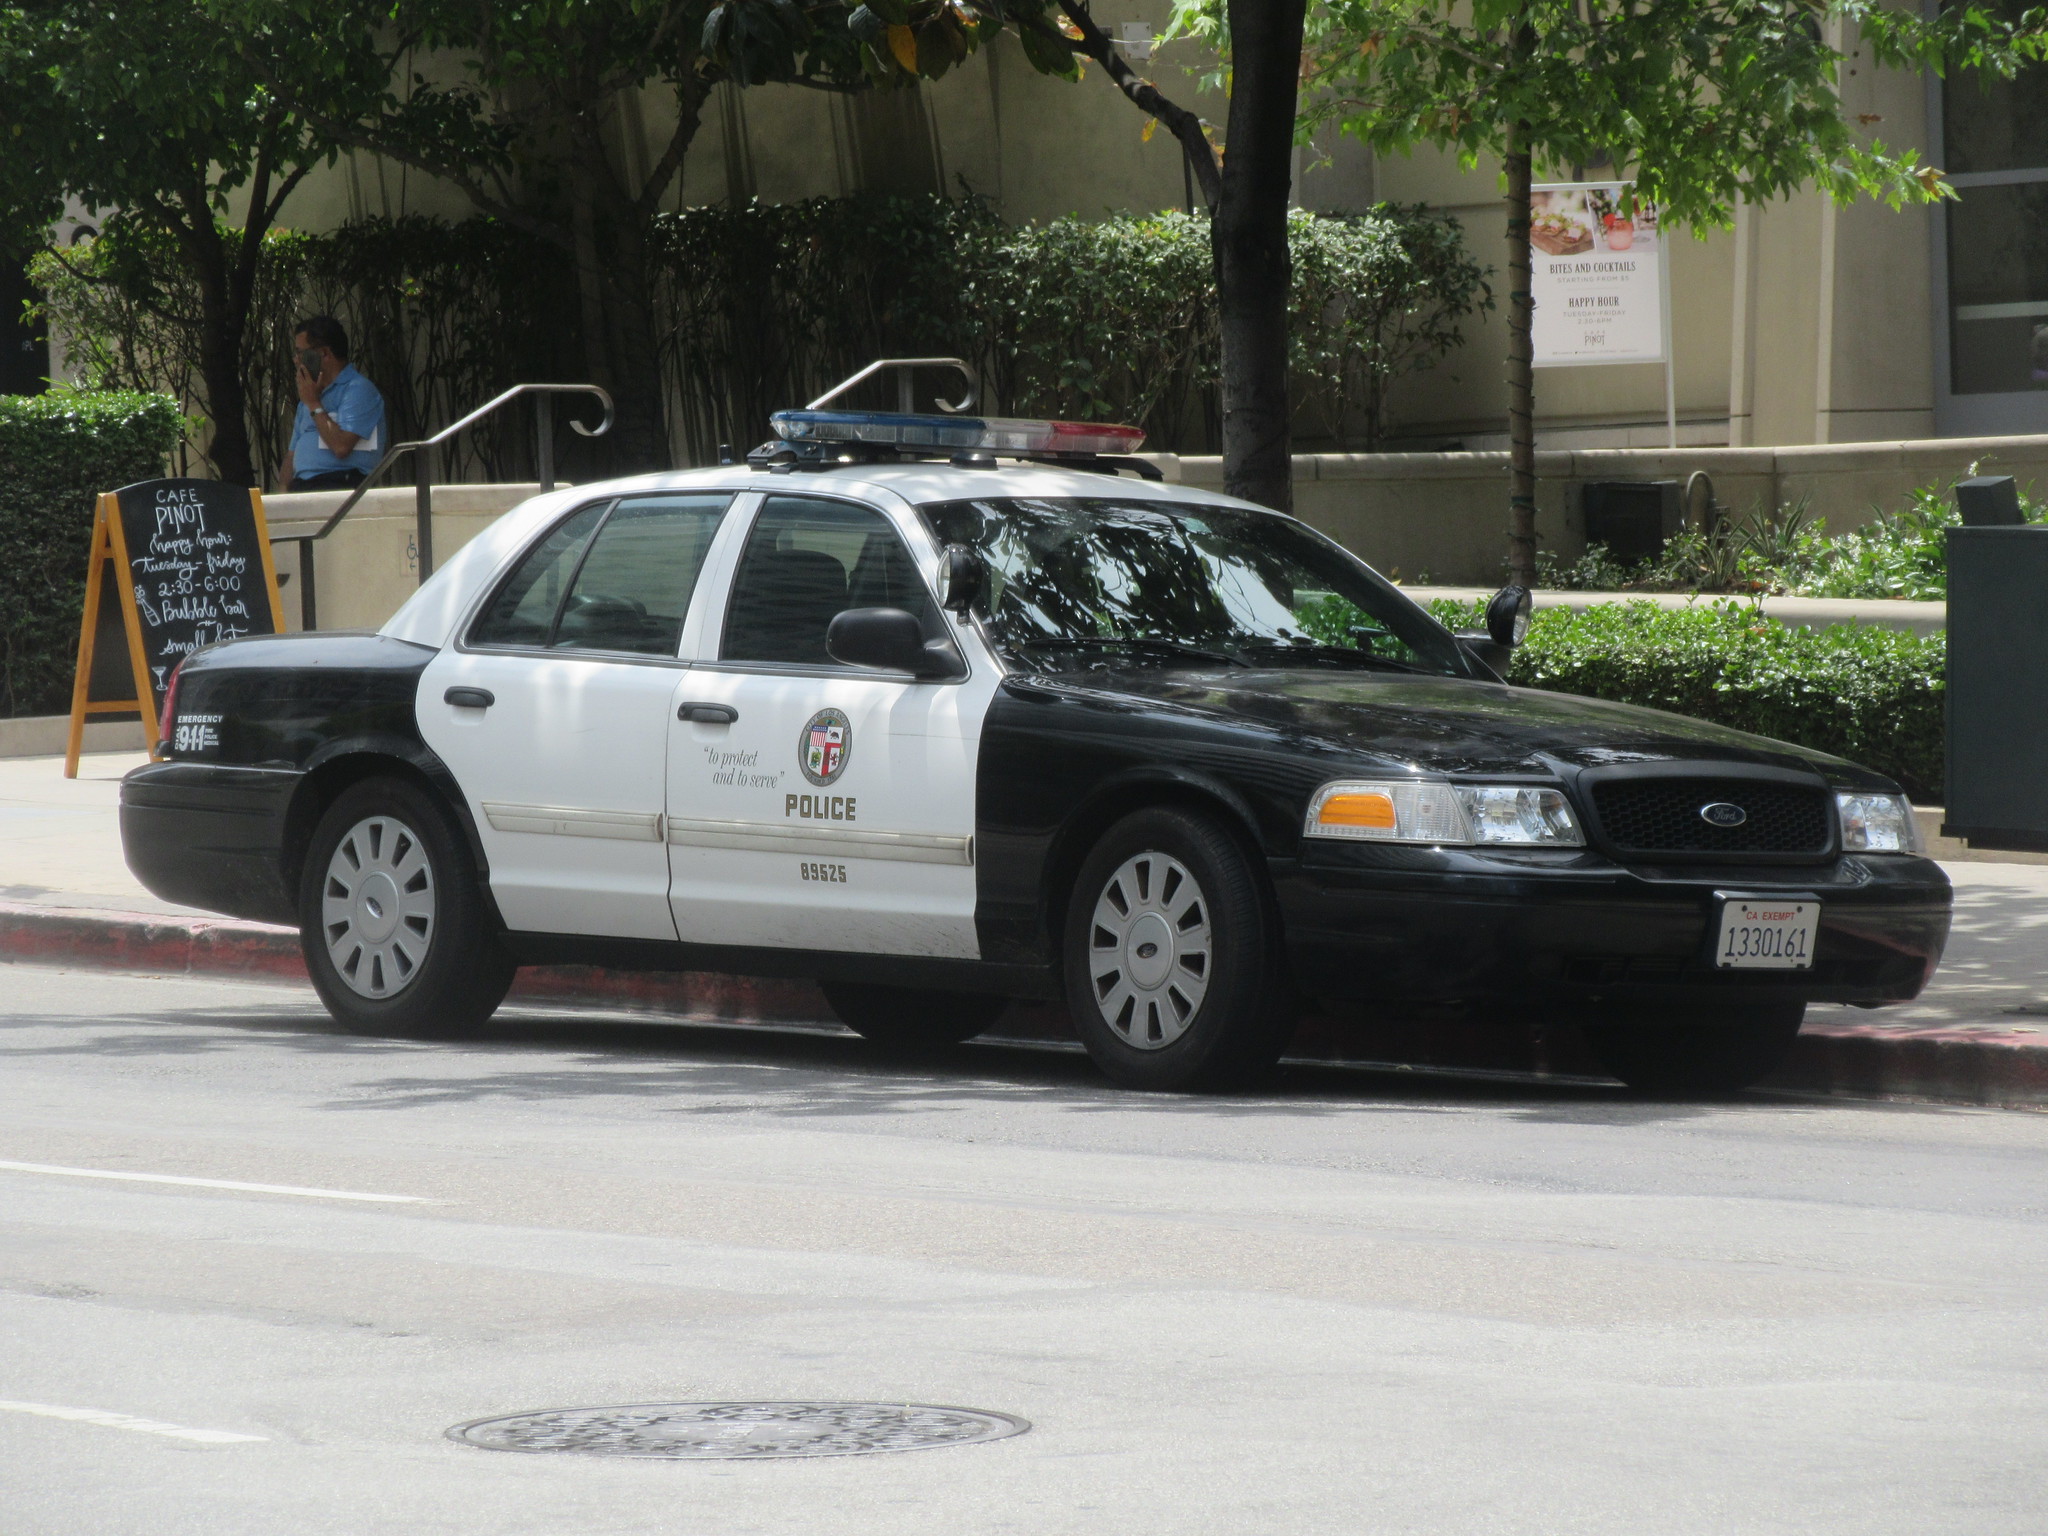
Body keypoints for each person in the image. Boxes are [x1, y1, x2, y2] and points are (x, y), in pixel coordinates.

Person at [282, 316, 385, 492]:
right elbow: (291, 457)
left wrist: (314, 404)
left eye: (300, 353)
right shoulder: (307, 398)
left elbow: (341, 447)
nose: (296, 360)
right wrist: (283, 496)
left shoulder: (357, 389)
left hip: (341, 484)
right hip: (303, 488)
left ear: (324, 353)